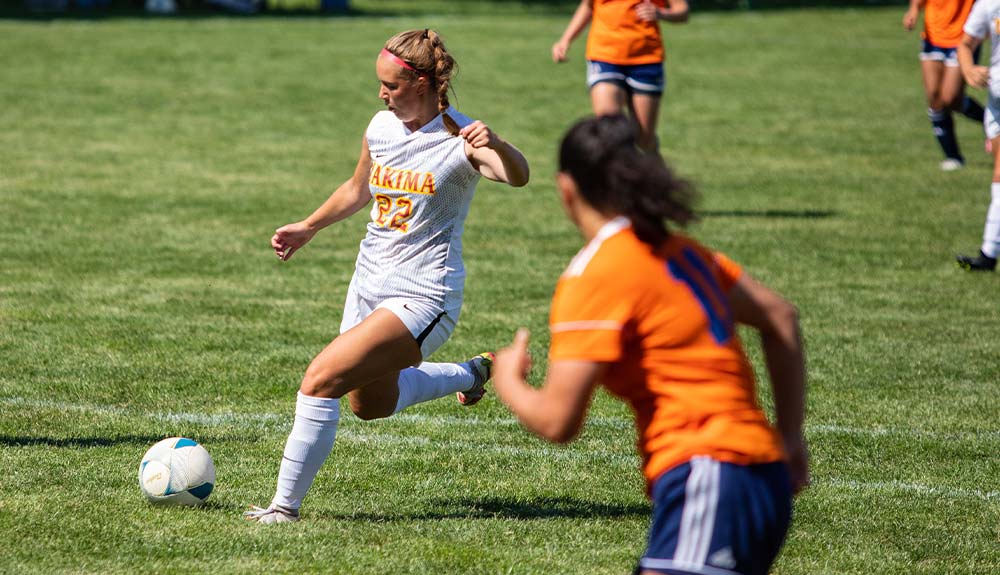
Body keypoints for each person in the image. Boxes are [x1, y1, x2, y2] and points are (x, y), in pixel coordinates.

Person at [492, 115, 808, 574]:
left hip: (710, 470)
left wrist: (508, 378)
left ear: (566, 188)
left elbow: (557, 420)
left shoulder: (596, 273)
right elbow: (780, 315)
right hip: (754, 474)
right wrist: (791, 438)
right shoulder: (682, 252)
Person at [244, 29, 530, 523]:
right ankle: (476, 371)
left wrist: (499, 143)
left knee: (319, 380)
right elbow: (358, 191)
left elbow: (517, 176)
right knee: (371, 405)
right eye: (380, 84)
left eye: (391, 86)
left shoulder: (458, 139)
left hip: (423, 296)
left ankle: (282, 510)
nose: (382, 93)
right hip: (367, 286)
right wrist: (308, 227)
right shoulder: (380, 127)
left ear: (421, 83)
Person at [551, 0, 689, 152]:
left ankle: (653, 171)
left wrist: (661, 13)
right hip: (604, 55)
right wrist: (566, 39)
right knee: (609, 130)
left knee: (645, 141)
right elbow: (588, 6)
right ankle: (620, 172)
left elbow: (682, 11)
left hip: (646, 57)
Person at [903, 0, 985, 171]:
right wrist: (913, 10)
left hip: (963, 39)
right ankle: (953, 157)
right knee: (934, 99)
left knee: (950, 98)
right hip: (933, 35)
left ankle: (992, 121)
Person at [955, 1, 1000, 270]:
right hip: (996, 103)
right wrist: (969, 70)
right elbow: (965, 45)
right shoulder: (989, 4)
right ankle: (989, 252)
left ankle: (988, 251)